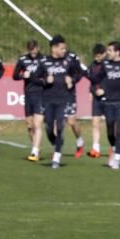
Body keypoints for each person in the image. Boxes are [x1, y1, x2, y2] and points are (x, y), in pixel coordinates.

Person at [37, 35, 84, 169]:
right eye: (62, 48)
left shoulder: (69, 60)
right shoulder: (44, 62)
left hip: (64, 99)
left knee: (61, 127)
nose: (65, 51)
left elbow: (79, 73)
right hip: (48, 99)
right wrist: (46, 80)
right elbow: (36, 78)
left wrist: (72, 80)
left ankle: (57, 156)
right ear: (54, 48)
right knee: (49, 128)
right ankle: (55, 143)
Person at [89, 41, 120, 170]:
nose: (107, 53)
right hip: (108, 103)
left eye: (110, 50)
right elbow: (95, 79)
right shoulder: (105, 65)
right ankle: (114, 149)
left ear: (117, 52)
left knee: (119, 131)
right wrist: (97, 89)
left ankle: (117, 159)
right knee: (110, 132)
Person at [13, 40, 46, 162]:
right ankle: (35, 147)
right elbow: (15, 75)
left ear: (38, 48)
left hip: (40, 95)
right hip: (28, 94)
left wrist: (39, 79)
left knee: (37, 124)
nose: (32, 51)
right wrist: (22, 76)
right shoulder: (23, 60)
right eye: (30, 49)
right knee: (29, 125)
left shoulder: (44, 60)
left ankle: (35, 151)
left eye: (34, 49)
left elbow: (47, 77)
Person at [63, 44, 87, 158]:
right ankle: (57, 149)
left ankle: (79, 141)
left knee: (71, 121)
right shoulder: (49, 59)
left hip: (69, 94)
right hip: (54, 95)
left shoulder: (72, 57)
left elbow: (80, 73)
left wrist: (72, 80)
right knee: (55, 124)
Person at [85, 44, 107, 159]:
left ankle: (114, 147)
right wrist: (91, 91)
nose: (96, 58)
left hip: (109, 98)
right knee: (95, 123)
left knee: (111, 124)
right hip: (96, 98)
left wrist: (105, 90)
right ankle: (95, 149)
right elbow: (92, 81)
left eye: (99, 56)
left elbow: (114, 82)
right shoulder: (92, 66)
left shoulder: (109, 65)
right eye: (95, 56)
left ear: (104, 54)